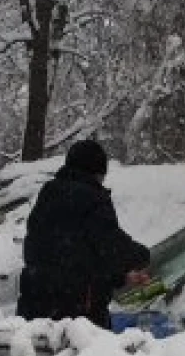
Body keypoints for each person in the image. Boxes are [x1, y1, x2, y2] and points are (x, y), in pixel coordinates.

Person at [17, 140, 151, 327]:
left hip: (36, 301)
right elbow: (109, 245)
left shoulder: (49, 192)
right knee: (84, 355)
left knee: (42, 353)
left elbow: (76, 251)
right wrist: (142, 257)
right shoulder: (92, 198)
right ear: (97, 171)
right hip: (77, 309)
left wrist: (120, 277)